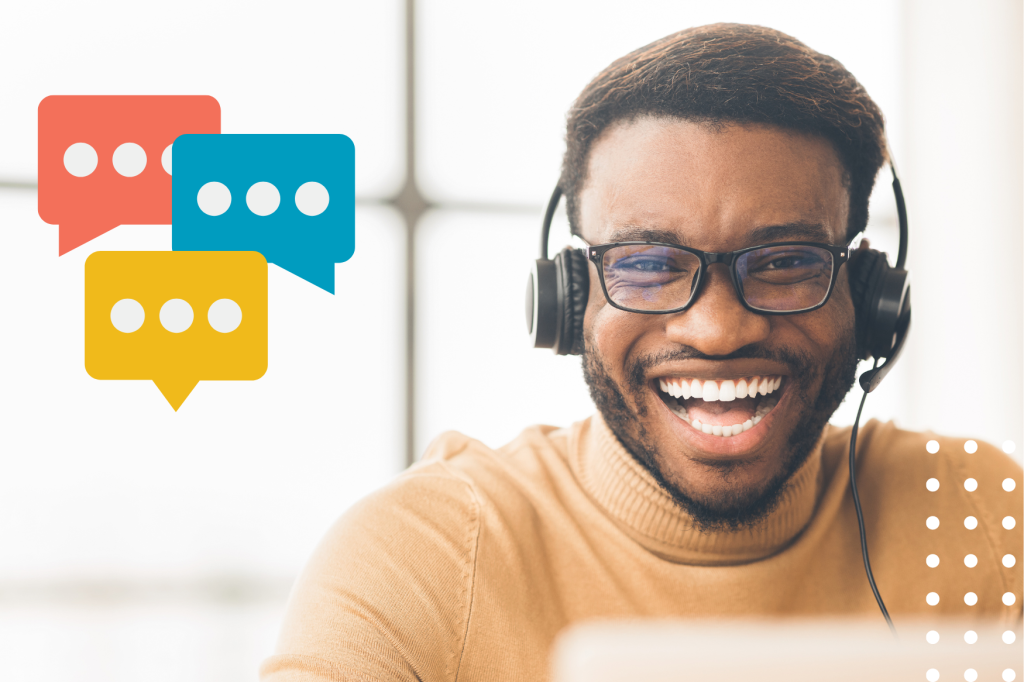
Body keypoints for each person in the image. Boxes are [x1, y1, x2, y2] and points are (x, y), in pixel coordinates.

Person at [261, 23, 1022, 682]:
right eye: (648, 265)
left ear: (868, 293)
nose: (718, 331)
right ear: (569, 296)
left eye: (787, 261)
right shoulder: (417, 555)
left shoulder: (978, 513)